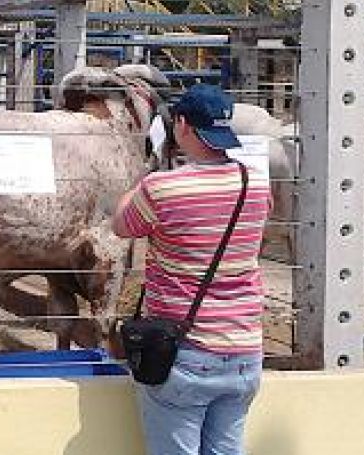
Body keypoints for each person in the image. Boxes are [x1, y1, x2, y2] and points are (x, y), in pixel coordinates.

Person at [113, 83, 272, 455]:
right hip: (245, 349)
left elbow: (121, 225)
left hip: (185, 352)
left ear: (181, 124)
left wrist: (141, 180)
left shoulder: (162, 187)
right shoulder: (255, 181)